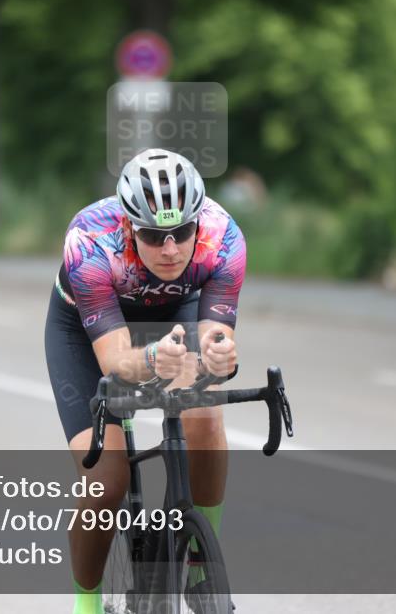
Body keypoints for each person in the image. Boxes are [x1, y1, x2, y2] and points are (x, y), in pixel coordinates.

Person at [44, 149, 246, 614]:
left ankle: (200, 563)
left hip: (174, 312)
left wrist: (220, 352)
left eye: (182, 233)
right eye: (154, 236)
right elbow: (116, 362)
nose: (171, 248)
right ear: (131, 227)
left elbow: (217, 335)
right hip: (86, 332)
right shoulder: (90, 241)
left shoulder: (224, 237)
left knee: (205, 418)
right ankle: (86, 606)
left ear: (199, 222)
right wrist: (154, 358)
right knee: (107, 482)